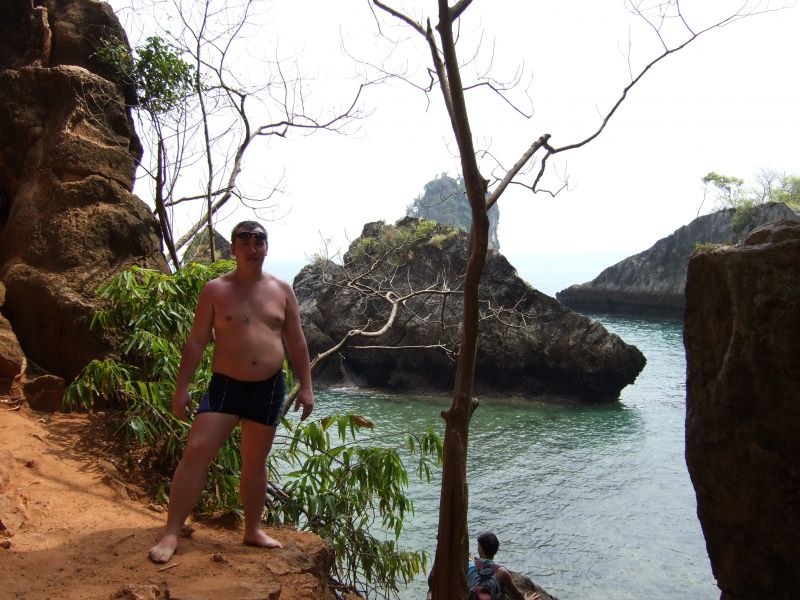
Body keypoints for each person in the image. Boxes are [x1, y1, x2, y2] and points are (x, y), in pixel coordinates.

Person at [149, 220, 314, 564]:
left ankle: (252, 530)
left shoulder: (282, 290)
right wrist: (181, 388)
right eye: (245, 241)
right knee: (197, 451)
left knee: (254, 461)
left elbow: (297, 341)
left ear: (266, 247)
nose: (253, 248)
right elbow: (196, 341)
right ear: (233, 249)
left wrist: (307, 387)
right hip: (226, 386)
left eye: (259, 241)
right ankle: (172, 531)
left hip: (268, 388)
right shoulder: (216, 290)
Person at [467, 532, 541, 600]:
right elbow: (517, 595)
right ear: (496, 550)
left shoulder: (469, 566)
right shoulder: (502, 572)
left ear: (480, 549)